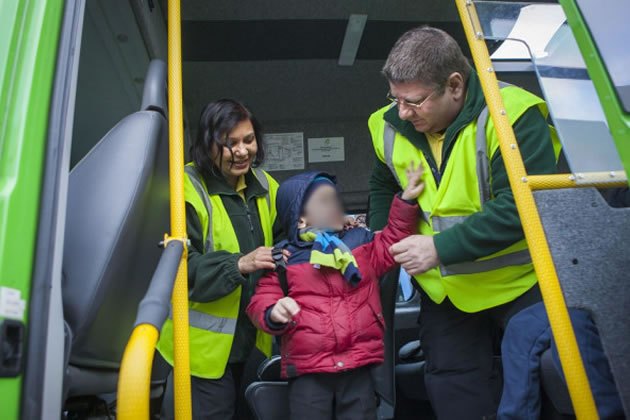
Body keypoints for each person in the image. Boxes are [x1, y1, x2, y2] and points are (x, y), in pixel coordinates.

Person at [367, 26, 561, 418]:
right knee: (454, 391)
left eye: (414, 101)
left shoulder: (512, 116)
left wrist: (438, 248)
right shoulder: (384, 125)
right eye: (395, 98)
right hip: (445, 292)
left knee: (549, 379)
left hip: (521, 283)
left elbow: (523, 208)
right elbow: (383, 183)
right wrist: (384, 236)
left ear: (455, 86)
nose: (401, 112)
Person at [246, 162, 424, 420]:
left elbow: (392, 242)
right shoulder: (283, 259)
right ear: (300, 219)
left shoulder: (360, 242)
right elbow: (261, 299)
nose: (335, 205)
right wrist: (273, 311)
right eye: (324, 201)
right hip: (308, 370)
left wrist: (405, 201)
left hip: (358, 366)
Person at [156, 99, 287, 419]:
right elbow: (177, 268)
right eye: (230, 143)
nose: (242, 151)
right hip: (201, 351)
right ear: (208, 144)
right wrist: (238, 264)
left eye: (249, 140)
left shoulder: (265, 185)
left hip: (253, 341)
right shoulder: (184, 189)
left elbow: (286, 241)